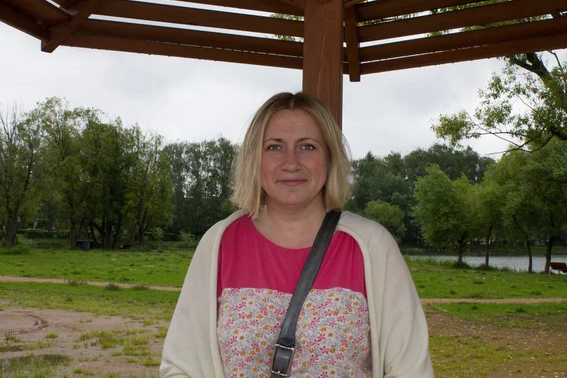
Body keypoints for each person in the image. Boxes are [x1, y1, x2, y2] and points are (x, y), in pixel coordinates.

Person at [160, 92, 434, 377]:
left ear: (329, 158)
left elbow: (410, 369)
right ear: (255, 159)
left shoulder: (371, 246)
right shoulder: (220, 243)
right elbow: (181, 366)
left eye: (307, 146)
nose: (291, 162)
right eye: (275, 147)